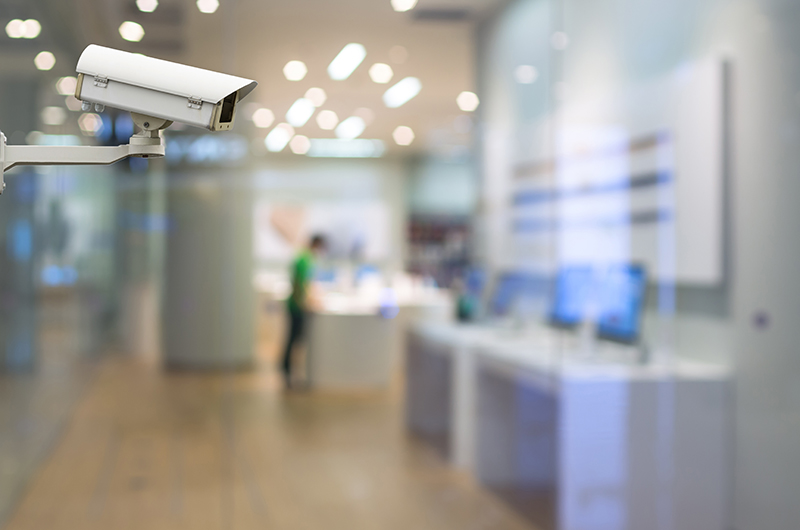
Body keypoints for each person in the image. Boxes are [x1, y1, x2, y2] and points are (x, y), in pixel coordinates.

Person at [281, 234, 326, 388]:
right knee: (295, 340)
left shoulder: (303, 258)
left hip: (295, 304)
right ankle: (290, 373)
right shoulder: (305, 260)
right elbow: (301, 285)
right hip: (297, 306)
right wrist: (306, 303)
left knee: (293, 340)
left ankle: (289, 372)